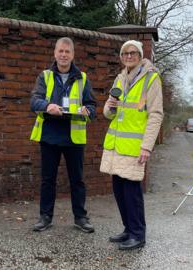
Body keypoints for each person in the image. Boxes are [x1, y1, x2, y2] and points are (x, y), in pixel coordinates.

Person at [100, 40, 164, 250]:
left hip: (135, 147)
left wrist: (147, 146)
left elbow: (155, 115)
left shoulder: (151, 78)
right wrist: (109, 106)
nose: (129, 56)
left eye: (133, 53)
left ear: (140, 55)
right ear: (121, 56)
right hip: (117, 145)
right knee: (118, 190)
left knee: (132, 192)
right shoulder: (120, 78)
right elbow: (110, 114)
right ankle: (128, 229)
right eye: (125, 53)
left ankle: (138, 234)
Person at [30, 37, 96, 233]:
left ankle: (81, 218)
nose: (64, 55)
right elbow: (34, 101)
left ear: (73, 55)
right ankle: (45, 217)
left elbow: (92, 105)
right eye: (61, 51)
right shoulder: (45, 76)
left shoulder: (83, 78)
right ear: (55, 53)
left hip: (74, 137)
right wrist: (47, 106)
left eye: (67, 51)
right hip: (50, 135)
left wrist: (87, 111)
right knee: (47, 179)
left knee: (77, 180)